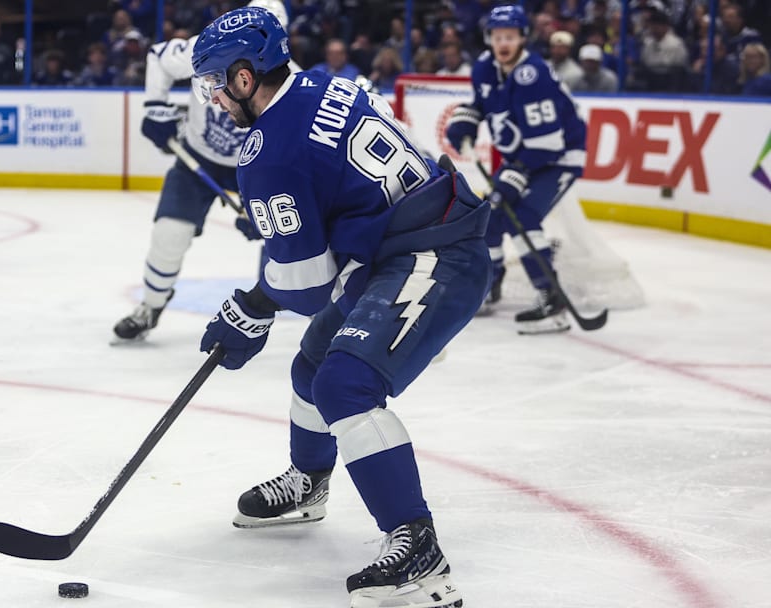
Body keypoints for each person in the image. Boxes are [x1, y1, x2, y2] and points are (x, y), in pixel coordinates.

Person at [192, 7, 490, 608]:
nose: (213, 100)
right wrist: (260, 299)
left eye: (214, 85)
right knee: (313, 365)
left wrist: (251, 306)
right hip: (408, 239)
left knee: (345, 384)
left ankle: (418, 546)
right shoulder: (329, 83)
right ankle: (309, 484)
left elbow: (305, 285)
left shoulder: (268, 153)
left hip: (436, 254)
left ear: (246, 79)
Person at [111, 0, 289, 342]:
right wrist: (155, 108)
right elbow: (160, 58)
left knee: (280, 245)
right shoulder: (209, 46)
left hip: (255, 168)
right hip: (197, 160)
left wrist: (268, 213)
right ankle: (151, 305)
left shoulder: (287, 82)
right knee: (169, 235)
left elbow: (287, 151)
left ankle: (280, 315)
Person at [445, 4, 587, 334]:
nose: (503, 43)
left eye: (510, 36)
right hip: (525, 156)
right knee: (491, 214)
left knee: (519, 215)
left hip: (558, 157)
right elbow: (483, 103)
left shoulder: (532, 75)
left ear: (523, 38)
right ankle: (490, 286)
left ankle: (552, 300)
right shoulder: (484, 67)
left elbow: (549, 142)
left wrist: (518, 170)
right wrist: (467, 118)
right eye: (497, 37)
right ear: (489, 39)